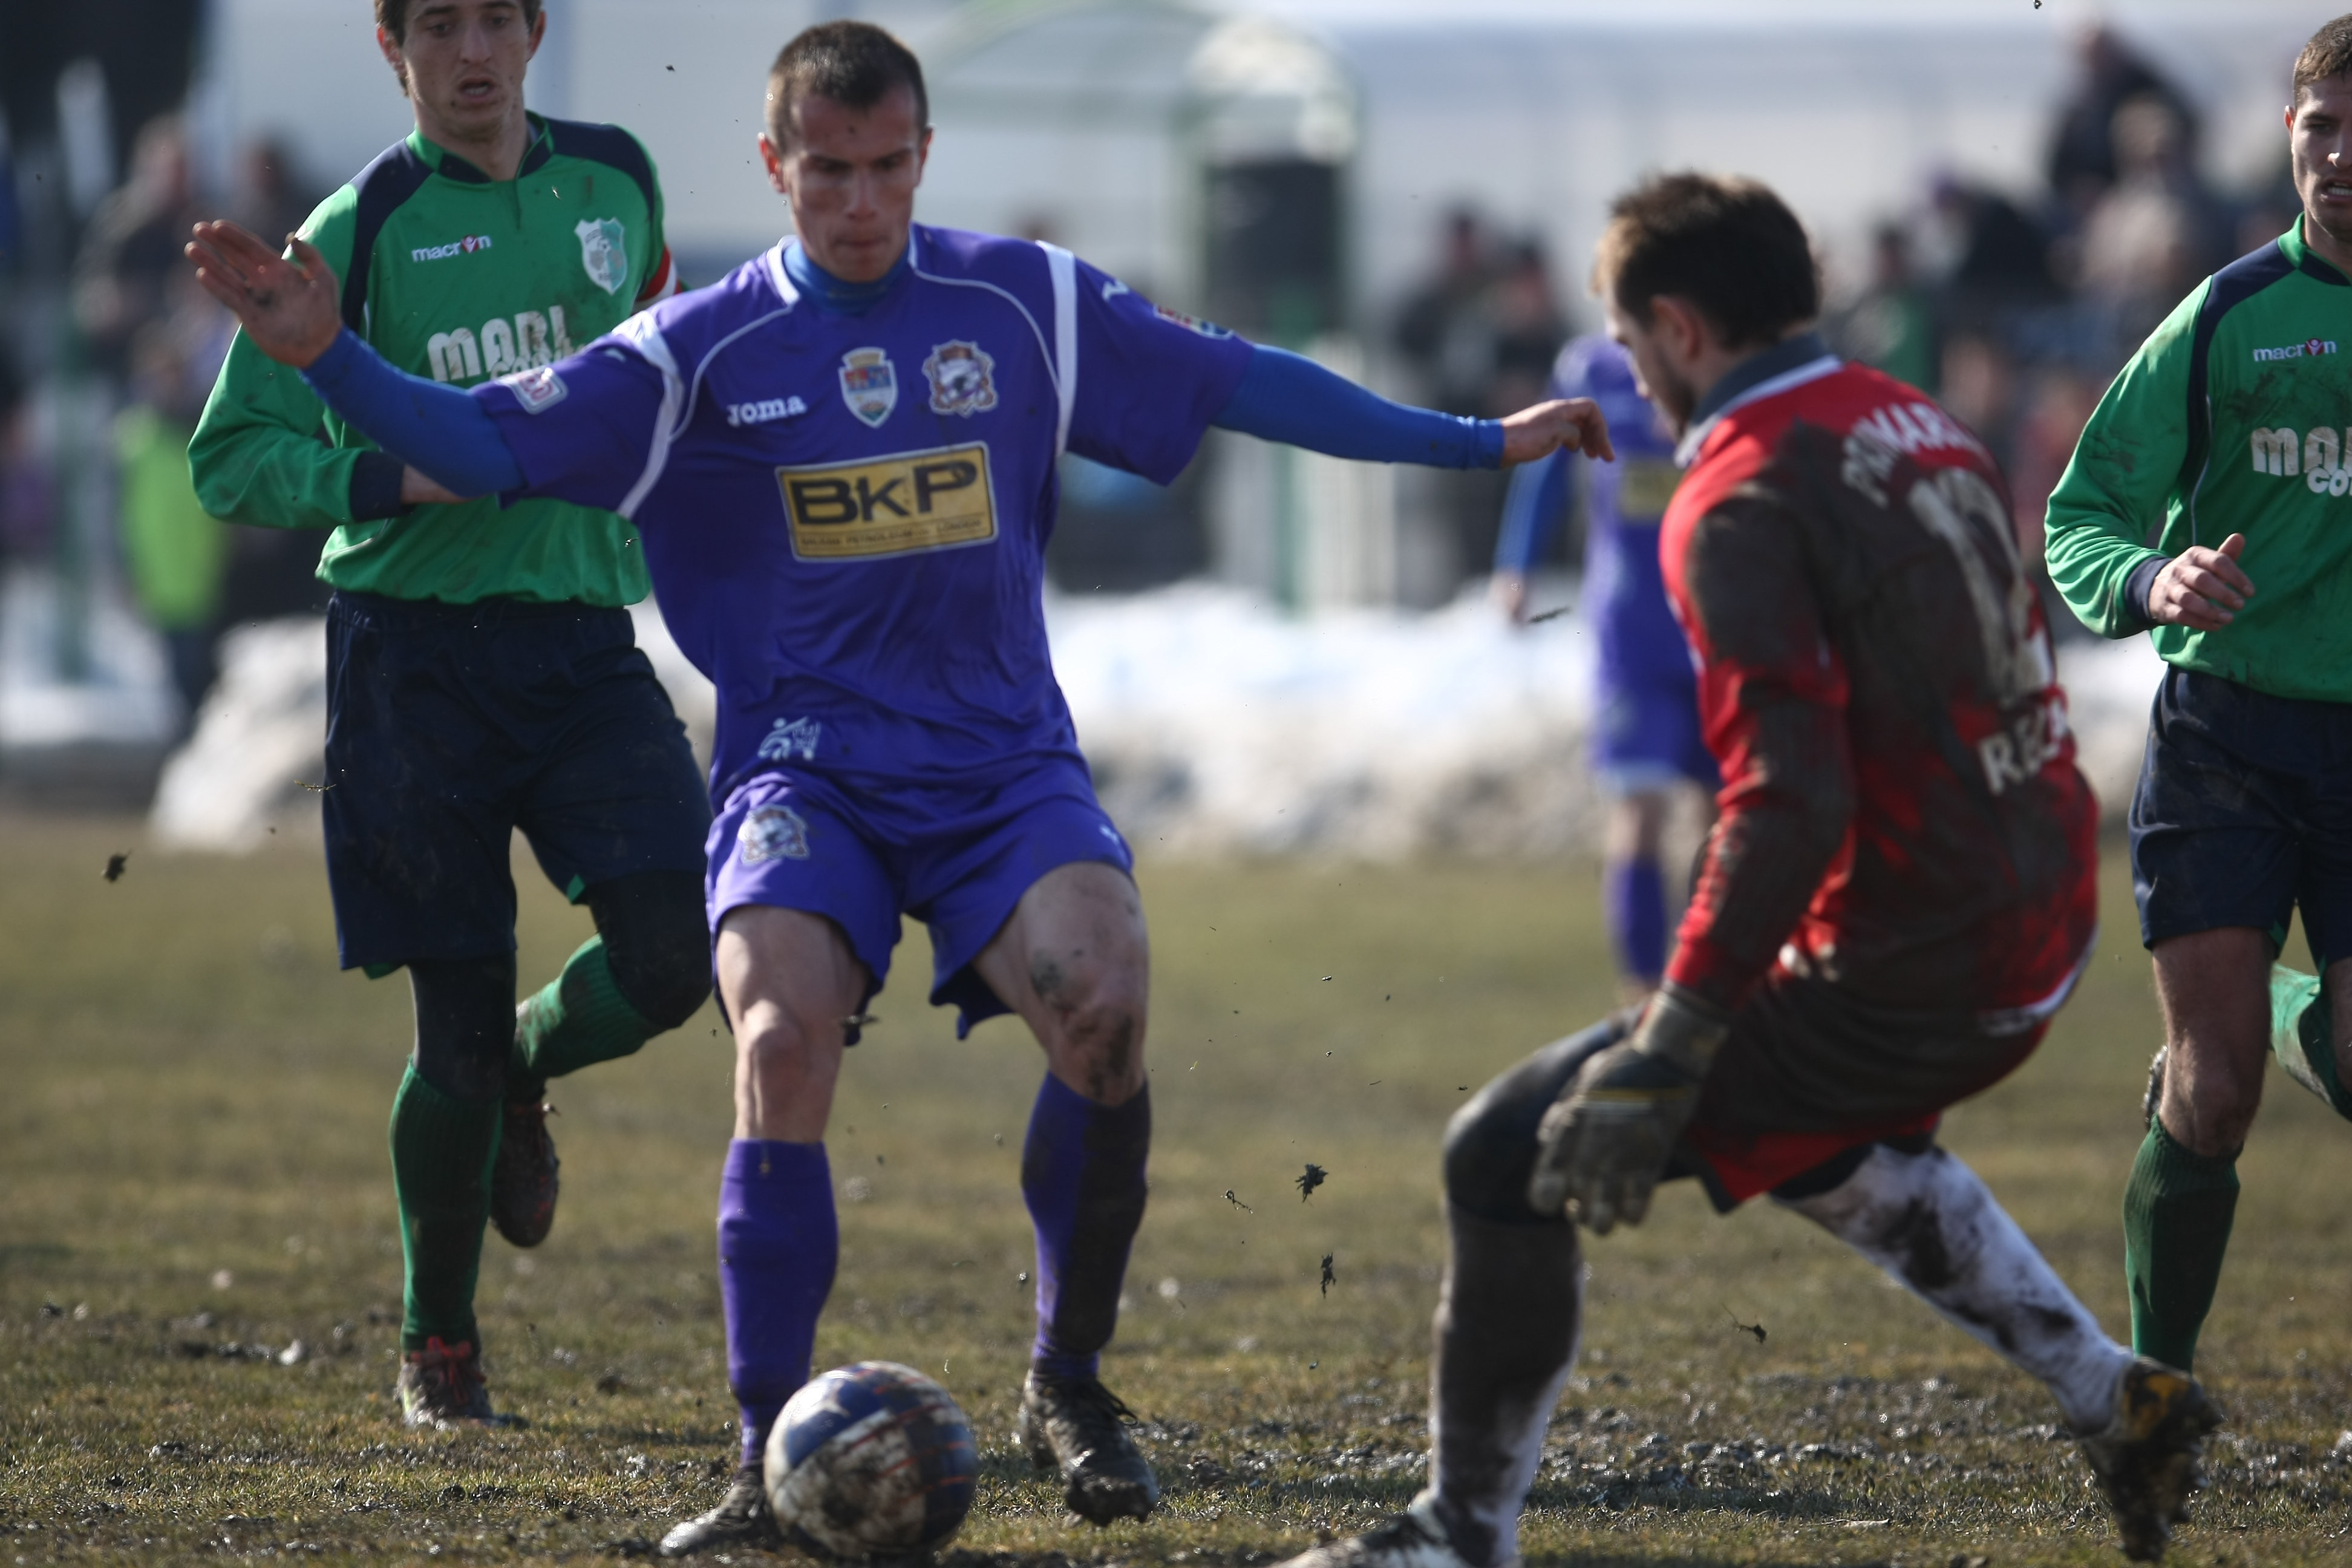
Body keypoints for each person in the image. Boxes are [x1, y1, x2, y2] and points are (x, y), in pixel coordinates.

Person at [185, 19, 1612, 1556]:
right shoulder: (695, 352)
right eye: (825, 172)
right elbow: (475, 439)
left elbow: (1234, 379)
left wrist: (1477, 444)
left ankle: (1069, 1380)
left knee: (1108, 1008)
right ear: (773, 167)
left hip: (1001, 766)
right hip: (806, 773)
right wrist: (325, 353)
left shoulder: (1023, 302)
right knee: (781, 1038)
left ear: (920, 158)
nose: (857, 202)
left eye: (884, 169)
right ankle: (756, 1455)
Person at [1279, 172, 2223, 1568]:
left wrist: (1673, 1033)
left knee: (1502, 1149)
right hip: (2037, 913)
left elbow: (1783, 800)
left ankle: (1455, 1536)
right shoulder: (1913, 419)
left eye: (1628, 336)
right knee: (1819, 1135)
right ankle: (2118, 1400)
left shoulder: (1732, 489)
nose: (1632, 374)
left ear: (1676, 326)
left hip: (1921, 954)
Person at [186, 0, 711, 1429]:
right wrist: (390, 478)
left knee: (679, 956)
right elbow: (230, 457)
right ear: (392, 47)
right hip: (411, 665)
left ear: (534, 31)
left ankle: (538, 1069)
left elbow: (659, 392)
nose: (469, 50)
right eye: (437, 25)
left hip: (582, 641)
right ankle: (440, 1347)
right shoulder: (358, 228)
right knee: (454, 1033)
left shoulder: (618, 181)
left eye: (494, 18)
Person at [2043, 15, 2352, 1387]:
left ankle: (2301, 1015)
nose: (2338, 160)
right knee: (2210, 1095)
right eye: (2318, 131)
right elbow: (2079, 514)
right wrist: (2151, 577)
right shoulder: (2228, 314)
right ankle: (2151, 1384)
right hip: (2225, 736)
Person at [1491, 334, 1716, 1001]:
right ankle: (1642, 993)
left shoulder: (1717, 357)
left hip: (1716, 628)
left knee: (1719, 816)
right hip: (1632, 633)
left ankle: (1704, 986)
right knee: (1639, 809)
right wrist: (1516, 563)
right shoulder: (1592, 368)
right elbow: (1548, 471)